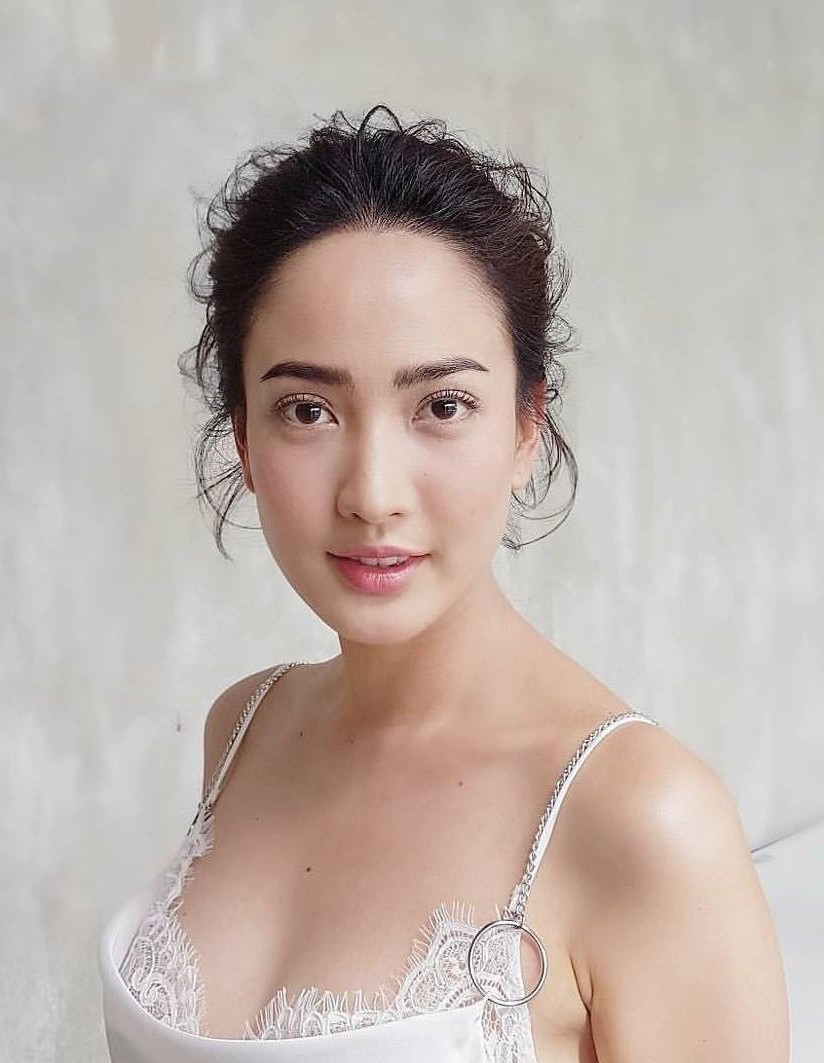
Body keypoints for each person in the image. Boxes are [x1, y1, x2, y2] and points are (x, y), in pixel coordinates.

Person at [98, 103, 790, 1062]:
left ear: (525, 427)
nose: (373, 495)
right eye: (307, 409)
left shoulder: (641, 820)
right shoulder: (241, 728)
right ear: (244, 438)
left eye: (443, 404)